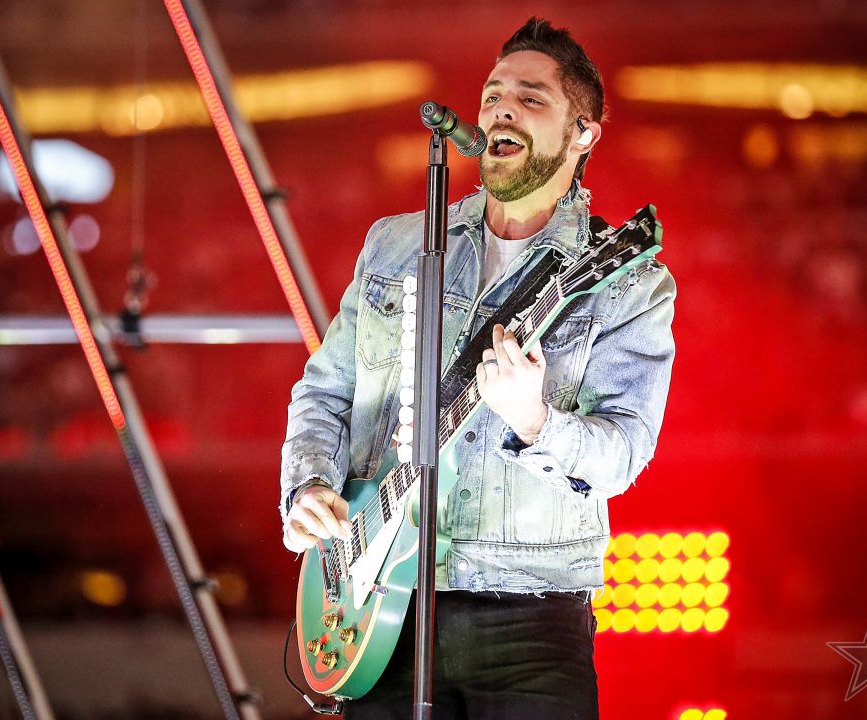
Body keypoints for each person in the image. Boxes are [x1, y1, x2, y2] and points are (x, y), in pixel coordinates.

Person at [279, 17, 675, 719]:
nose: (503, 107)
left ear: (583, 134)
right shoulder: (396, 246)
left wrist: (535, 420)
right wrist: (308, 484)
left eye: (532, 97)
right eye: (495, 93)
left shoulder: (626, 281)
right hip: (378, 606)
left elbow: (623, 455)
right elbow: (326, 389)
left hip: (530, 620)